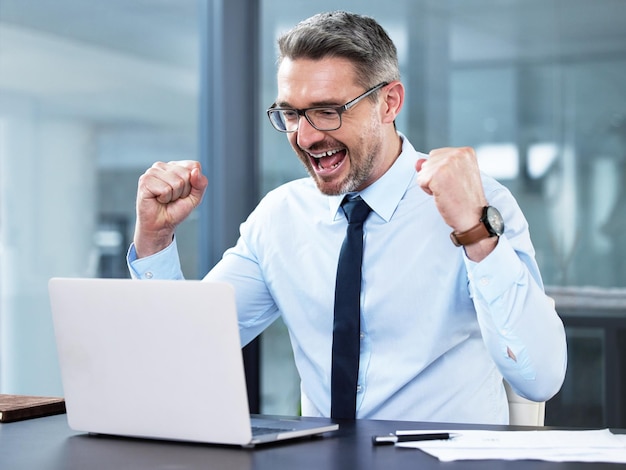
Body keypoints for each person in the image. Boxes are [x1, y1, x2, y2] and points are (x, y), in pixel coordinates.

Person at [128, 11, 567, 424]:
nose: (306, 136)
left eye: (327, 111)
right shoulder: (281, 217)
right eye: (291, 114)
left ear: (389, 103)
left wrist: (474, 230)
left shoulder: (480, 202)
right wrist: (155, 240)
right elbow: (185, 354)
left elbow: (540, 378)